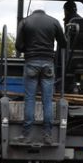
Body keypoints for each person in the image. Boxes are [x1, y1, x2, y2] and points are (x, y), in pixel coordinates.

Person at [15, 8, 67, 145]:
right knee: (47, 101)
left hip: (31, 63)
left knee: (30, 99)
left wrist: (28, 48)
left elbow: (18, 46)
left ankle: (26, 135)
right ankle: (48, 135)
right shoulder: (54, 22)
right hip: (48, 64)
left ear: (33, 13)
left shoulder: (25, 22)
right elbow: (63, 43)